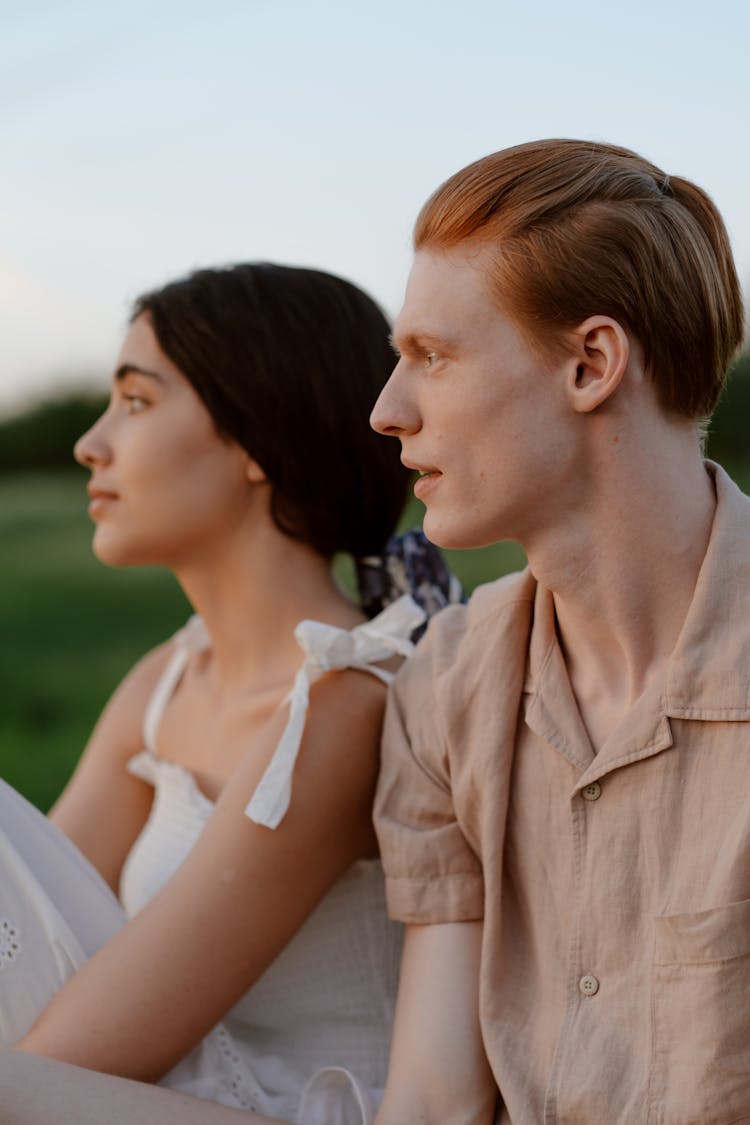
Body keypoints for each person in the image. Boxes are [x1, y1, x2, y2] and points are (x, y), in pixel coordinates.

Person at [0, 262, 455, 1124]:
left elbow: (75, 1055)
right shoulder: (168, 681)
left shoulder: (342, 709)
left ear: (254, 439)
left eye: (136, 402)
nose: (90, 444)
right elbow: (31, 928)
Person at [369, 139, 748, 1122]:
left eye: (432, 357)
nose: (387, 411)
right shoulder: (445, 686)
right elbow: (433, 1104)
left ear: (590, 364)